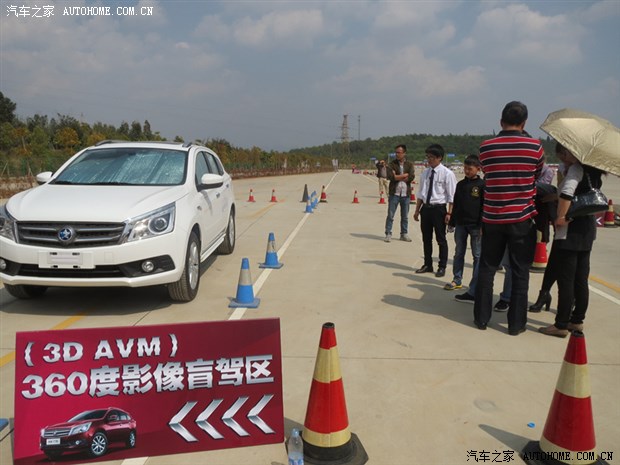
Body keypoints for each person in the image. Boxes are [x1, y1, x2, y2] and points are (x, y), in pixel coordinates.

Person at [473, 101, 543, 335]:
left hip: (492, 218)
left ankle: (481, 319)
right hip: (522, 219)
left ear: (501, 122)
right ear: (524, 123)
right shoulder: (535, 147)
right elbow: (538, 174)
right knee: (520, 271)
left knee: (487, 268)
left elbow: (486, 171)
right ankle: (516, 325)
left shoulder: (486, 147)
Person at [538, 144, 604, 338]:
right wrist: (554, 196)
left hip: (570, 230)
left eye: (563, 153)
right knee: (580, 279)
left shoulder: (576, 169)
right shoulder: (594, 171)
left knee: (566, 279)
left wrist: (560, 217)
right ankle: (577, 321)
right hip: (587, 230)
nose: (562, 157)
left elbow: (567, 194)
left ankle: (560, 324)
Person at [413, 144, 457, 277]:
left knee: (441, 239)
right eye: (427, 157)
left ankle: (442, 266)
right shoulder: (425, 173)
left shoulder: (447, 174)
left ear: (439, 158)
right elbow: (421, 193)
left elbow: (452, 196)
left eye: (431, 157)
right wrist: (417, 210)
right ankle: (428, 264)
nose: (429, 160)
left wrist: (449, 213)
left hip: (439, 210)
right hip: (426, 209)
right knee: (426, 238)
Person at [446, 155, 484, 297]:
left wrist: (482, 225)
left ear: (478, 169)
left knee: (477, 255)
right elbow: (456, 204)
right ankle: (457, 279)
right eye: (465, 168)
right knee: (459, 252)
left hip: (475, 226)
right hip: (461, 224)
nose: (467, 171)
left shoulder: (481, 185)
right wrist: (452, 222)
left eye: (470, 168)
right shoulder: (460, 185)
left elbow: (484, 207)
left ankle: (475, 284)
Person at [384, 144, 416, 242]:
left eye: (399, 152)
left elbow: (411, 177)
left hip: (405, 194)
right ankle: (388, 233)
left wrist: (397, 176)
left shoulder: (409, 165)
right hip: (395, 193)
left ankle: (404, 234)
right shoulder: (391, 164)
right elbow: (390, 176)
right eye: (396, 152)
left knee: (405, 216)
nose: (397, 154)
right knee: (390, 215)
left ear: (404, 153)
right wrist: (403, 175)